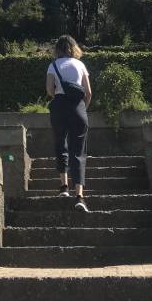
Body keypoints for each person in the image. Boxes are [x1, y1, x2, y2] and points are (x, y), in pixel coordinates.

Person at [46, 34, 92, 212]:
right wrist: (82, 108)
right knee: (78, 151)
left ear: (57, 49)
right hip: (78, 107)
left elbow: (49, 90)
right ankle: (79, 196)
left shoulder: (53, 65)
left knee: (60, 144)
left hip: (59, 107)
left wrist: (59, 97)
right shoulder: (80, 65)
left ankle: (63, 187)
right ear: (74, 48)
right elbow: (88, 92)